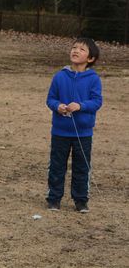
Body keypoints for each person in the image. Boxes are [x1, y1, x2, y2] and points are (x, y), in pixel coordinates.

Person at [46, 37, 102, 213]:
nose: (76, 50)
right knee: (56, 166)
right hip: (60, 131)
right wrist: (58, 106)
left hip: (83, 133)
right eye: (74, 47)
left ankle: (81, 200)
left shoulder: (93, 79)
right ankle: (54, 199)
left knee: (81, 167)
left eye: (82, 49)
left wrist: (81, 106)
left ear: (90, 58)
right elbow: (50, 99)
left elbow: (96, 101)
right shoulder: (60, 76)